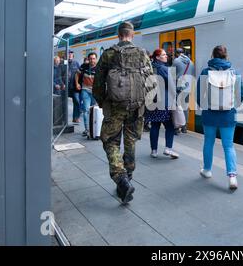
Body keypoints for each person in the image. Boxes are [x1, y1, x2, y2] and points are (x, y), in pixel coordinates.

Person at [93, 21, 154, 205]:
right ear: (132, 35)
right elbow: (151, 80)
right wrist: (145, 103)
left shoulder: (109, 54)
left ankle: (121, 179)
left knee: (110, 141)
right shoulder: (142, 53)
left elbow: (97, 83)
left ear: (118, 35)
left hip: (114, 106)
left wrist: (102, 102)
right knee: (130, 140)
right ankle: (129, 175)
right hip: (136, 106)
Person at [196, 45, 243, 190]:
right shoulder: (234, 73)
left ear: (213, 55)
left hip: (209, 115)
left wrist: (206, 106)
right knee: (228, 146)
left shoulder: (205, 72)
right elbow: (241, 96)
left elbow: (199, 96)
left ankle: (207, 170)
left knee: (208, 142)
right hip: (228, 115)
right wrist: (231, 106)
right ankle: (232, 177)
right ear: (226, 56)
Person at [146, 48, 179, 159]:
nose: (166, 56)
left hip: (151, 101)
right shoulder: (164, 69)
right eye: (163, 55)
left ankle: (154, 151)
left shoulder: (149, 68)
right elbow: (171, 86)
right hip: (164, 102)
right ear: (157, 57)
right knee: (169, 126)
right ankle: (168, 148)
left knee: (155, 125)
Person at [172, 47, 195, 134]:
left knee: (177, 107)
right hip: (187, 87)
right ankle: (184, 127)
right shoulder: (191, 62)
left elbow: (172, 75)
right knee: (185, 107)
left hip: (178, 87)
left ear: (176, 53)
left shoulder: (176, 61)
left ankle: (177, 127)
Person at [76, 52, 97, 136]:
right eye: (90, 58)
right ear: (88, 59)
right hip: (85, 90)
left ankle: (94, 129)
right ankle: (87, 129)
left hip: (95, 92)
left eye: (93, 58)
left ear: (96, 59)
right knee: (86, 110)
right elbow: (77, 74)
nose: (92, 60)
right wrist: (77, 83)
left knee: (94, 110)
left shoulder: (99, 68)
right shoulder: (84, 66)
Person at [67, 51, 81, 123]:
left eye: (71, 54)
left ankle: (76, 118)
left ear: (73, 56)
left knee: (77, 101)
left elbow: (79, 74)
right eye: (68, 54)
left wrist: (78, 84)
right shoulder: (64, 63)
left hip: (74, 86)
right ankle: (63, 119)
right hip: (65, 87)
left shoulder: (76, 63)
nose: (70, 55)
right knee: (62, 102)